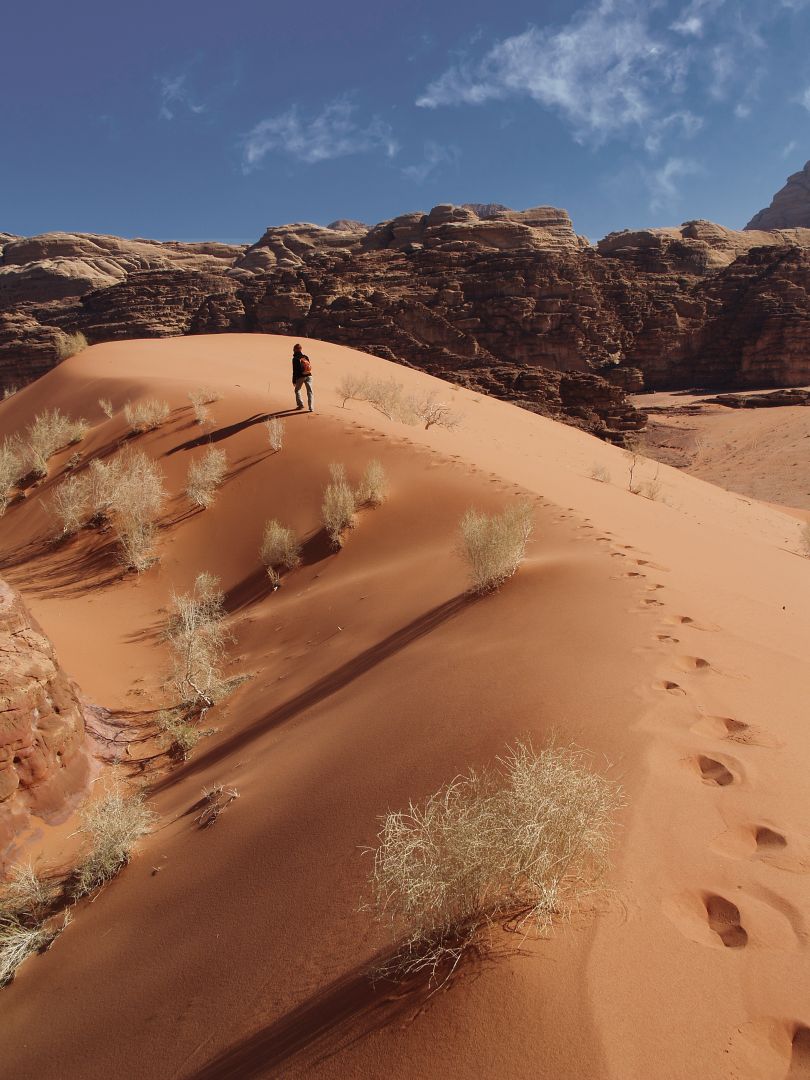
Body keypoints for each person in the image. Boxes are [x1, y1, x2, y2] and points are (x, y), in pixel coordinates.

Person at [291, 343, 314, 412]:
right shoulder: (306, 357)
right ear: (301, 349)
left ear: (294, 350)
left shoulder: (295, 359)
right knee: (310, 392)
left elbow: (294, 371)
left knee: (297, 390)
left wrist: (294, 380)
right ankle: (311, 408)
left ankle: (300, 405)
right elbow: (309, 366)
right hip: (309, 375)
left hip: (300, 376)